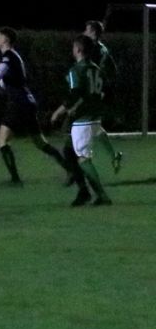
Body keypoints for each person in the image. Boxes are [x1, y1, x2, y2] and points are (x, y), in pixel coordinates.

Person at [0, 27, 69, 185]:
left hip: (19, 103)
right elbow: (2, 87)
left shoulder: (9, 56)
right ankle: (71, 170)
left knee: (2, 140)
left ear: (5, 39)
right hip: (26, 102)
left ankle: (15, 179)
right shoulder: (12, 58)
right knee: (40, 143)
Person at [50, 35, 113, 206]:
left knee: (83, 158)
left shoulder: (76, 70)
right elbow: (103, 91)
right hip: (94, 116)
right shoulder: (97, 69)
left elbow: (74, 94)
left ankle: (101, 195)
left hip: (82, 118)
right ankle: (83, 191)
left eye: (73, 48)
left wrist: (58, 112)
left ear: (78, 50)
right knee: (69, 151)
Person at [83, 20, 123, 172]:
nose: (84, 32)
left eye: (86, 30)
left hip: (93, 92)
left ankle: (84, 160)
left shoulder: (92, 49)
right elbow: (113, 70)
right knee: (94, 125)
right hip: (99, 91)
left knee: (84, 124)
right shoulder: (103, 49)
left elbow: (91, 70)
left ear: (93, 32)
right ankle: (113, 156)